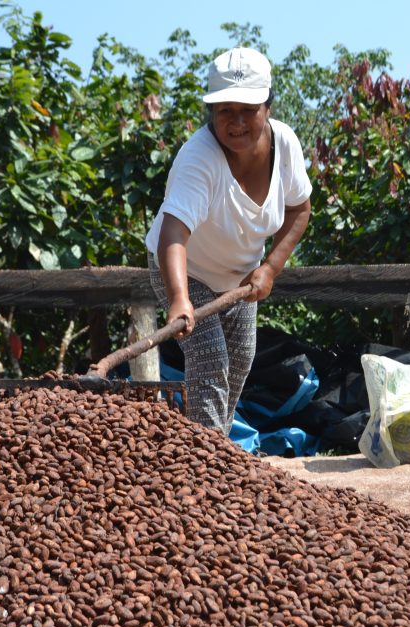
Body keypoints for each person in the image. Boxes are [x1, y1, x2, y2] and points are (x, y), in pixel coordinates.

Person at [145, 46, 313, 435]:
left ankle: (212, 450)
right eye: (225, 111)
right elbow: (173, 232)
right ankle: (206, 469)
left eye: (247, 110)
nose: (236, 122)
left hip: (239, 278)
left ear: (267, 107)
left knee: (238, 361)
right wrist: (179, 299)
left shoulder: (285, 145)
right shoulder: (198, 159)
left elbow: (299, 210)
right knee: (209, 359)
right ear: (212, 113)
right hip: (185, 271)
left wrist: (270, 268)